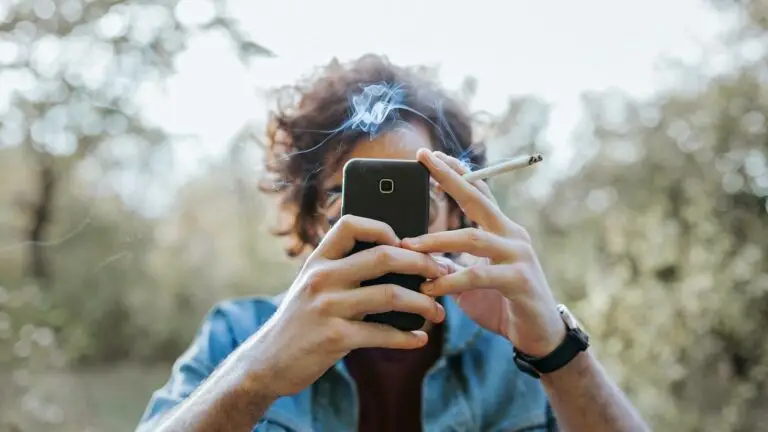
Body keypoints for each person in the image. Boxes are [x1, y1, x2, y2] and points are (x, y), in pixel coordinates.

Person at [136, 54, 649, 432]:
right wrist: (255, 375)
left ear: (457, 212)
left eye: (415, 201)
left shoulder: (511, 349)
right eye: (357, 204)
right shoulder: (237, 337)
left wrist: (558, 353)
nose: (389, 238)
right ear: (313, 222)